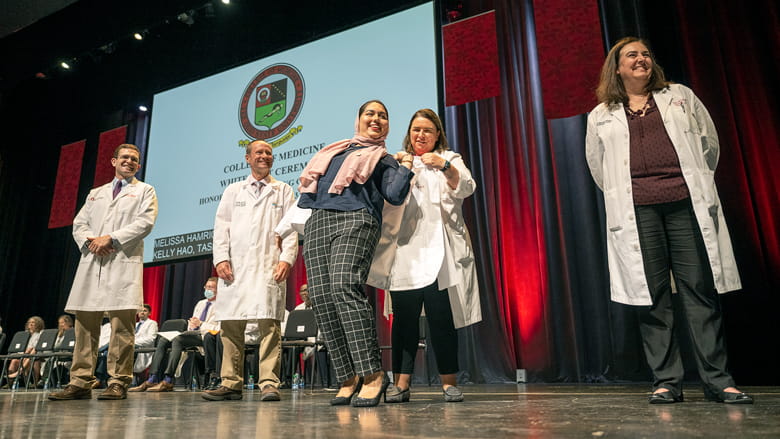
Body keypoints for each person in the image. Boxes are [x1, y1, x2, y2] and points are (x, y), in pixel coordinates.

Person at [585, 37, 751, 404]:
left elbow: (709, 144)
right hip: (638, 213)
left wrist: (692, 181)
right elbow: (598, 168)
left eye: (646, 54)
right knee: (652, 296)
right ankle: (666, 380)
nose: (641, 59)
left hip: (684, 205)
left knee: (699, 290)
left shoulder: (679, 95)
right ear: (617, 68)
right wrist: (630, 192)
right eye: (632, 55)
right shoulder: (600, 114)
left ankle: (718, 380)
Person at [293, 100, 413, 407]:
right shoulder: (333, 152)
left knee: (344, 285)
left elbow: (395, 195)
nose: (376, 119)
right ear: (358, 119)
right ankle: (348, 376)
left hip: (358, 218)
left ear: (387, 125)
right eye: (370, 113)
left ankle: (373, 374)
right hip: (319, 220)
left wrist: (406, 165)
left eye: (383, 116)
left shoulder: (383, 159)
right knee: (320, 296)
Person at [368, 108, 481, 403]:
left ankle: (448, 382)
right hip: (405, 252)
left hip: (440, 253)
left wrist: (444, 166)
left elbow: (467, 188)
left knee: (441, 319)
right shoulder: (395, 161)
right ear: (409, 134)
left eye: (428, 131)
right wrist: (403, 166)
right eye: (416, 130)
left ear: (437, 135)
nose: (421, 135)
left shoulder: (450, 158)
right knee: (403, 321)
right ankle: (401, 384)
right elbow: (385, 198)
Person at [48, 143, 158, 401]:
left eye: (134, 159)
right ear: (113, 161)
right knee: (85, 327)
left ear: (138, 165)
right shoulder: (95, 193)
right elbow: (79, 223)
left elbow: (145, 223)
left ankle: (118, 381)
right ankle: (80, 381)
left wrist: (111, 238)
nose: (129, 161)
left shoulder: (144, 190)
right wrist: (90, 242)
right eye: (125, 157)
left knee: (122, 328)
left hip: (122, 260)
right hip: (92, 261)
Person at [203, 139, 298, 402]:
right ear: (248, 158)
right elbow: (221, 227)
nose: (265, 156)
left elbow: (290, 229)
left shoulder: (283, 190)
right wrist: (221, 258)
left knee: (269, 325)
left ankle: (269, 382)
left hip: (269, 265)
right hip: (236, 267)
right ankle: (231, 383)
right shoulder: (234, 190)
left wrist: (287, 259)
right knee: (231, 324)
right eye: (259, 152)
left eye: (269, 153)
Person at [129, 278, 219, 392]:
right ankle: (152, 379)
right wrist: (191, 325)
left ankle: (168, 380)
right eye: (206, 287)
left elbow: (218, 328)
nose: (207, 289)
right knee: (163, 340)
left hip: (206, 337)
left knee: (178, 340)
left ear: (218, 289)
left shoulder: (220, 304)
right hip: (192, 333)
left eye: (211, 287)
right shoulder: (200, 303)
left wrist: (201, 324)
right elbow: (192, 323)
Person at [6, 316, 45, 387]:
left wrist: (28, 352)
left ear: (38, 324)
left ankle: (19, 372)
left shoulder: (40, 334)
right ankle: (9, 383)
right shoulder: (25, 334)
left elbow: (37, 347)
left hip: (34, 356)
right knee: (14, 361)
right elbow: (21, 346)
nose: (31, 324)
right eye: (30, 322)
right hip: (24, 355)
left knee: (32, 357)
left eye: (33, 322)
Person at [39, 314, 74, 388]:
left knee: (52, 358)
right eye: (59, 323)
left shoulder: (73, 332)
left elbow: (64, 345)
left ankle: (44, 380)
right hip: (58, 351)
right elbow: (55, 344)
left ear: (69, 323)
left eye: (62, 323)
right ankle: (46, 380)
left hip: (69, 352)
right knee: (45, 355)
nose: (61, 325)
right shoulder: (59, 334)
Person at [132, 304, 158, 384]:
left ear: (149, 313)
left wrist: (133, 342)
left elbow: (151, 339)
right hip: (132, 347)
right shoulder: (134, 324)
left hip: (143, 349)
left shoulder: (152, 323)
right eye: (140, 310)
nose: (142, 312)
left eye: (145, 311)